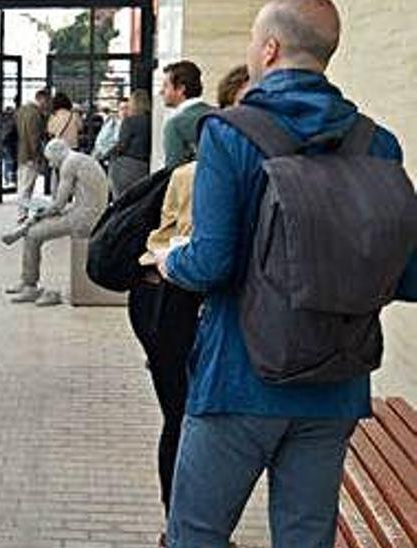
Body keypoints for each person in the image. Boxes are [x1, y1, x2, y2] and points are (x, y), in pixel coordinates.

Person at [156, 1, 417, 545]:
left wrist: (167, 259)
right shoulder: (378, 143)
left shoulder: (228, 134)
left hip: (238, 378)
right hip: (337, 383)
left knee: (196, 534)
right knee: (305, 537)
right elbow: (408, 276)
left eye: (254, 42)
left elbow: (210, 263)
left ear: (270, 48)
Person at [128, 64, 250, 547]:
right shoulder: (196, 172)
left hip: (211, 316)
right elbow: (176, 245)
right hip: (171, 306)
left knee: (203, 423)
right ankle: (178, 528)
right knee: (182, 417)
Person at [3, 139, 109, 306]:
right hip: (88, 212)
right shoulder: (80, 159)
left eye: (51, 160)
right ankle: (27, 280)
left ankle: (30, 284)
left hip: (84, 218)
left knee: (33, 235)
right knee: (38, 223)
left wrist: (40, 213)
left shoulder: (69, 164)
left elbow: (58, 204)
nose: (51, 165)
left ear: (58, 153)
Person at [160, 60, 214, 168]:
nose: (161, 91)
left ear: (180, 89)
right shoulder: (220, 114)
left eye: (166, 86)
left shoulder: (175, 124)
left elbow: (173, 171)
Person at [108, 89, 152, 199]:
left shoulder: (129, 121)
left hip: (126, 166)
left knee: (121, 201)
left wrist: (108, 154)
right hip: (145, 166)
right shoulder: (152, 121)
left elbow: (122, 145)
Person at [14, 90, 50, 219]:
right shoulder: (35, 114)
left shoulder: (21, 110)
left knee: (22, 184)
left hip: (20, 153)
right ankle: (22, 214)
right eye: (46, 101)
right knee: (27, 187)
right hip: (31, 155)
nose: (47, 105)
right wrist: (38, 156)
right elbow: (35, 138)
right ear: (41, 99)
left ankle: (21, 212)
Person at [92, 97, 127, 163]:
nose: (125, 111)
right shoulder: (112, 123)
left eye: (127, 108)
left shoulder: (131, 124)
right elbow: (100, 141)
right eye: (122, 109)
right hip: (109, 158)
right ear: (118, 110)